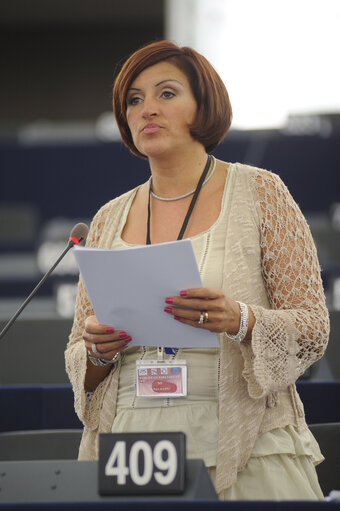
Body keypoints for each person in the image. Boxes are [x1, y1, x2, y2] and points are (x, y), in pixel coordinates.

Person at [65, 40, 329, 500]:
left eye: (166, 94)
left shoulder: (261, 192)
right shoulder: (108, 217)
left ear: (203, 106)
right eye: (135, 99)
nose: (148, 108)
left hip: (243, 438)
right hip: (133, 442)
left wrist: (242, 320)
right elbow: (78, 351)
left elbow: (313, 328)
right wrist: (98, 351)